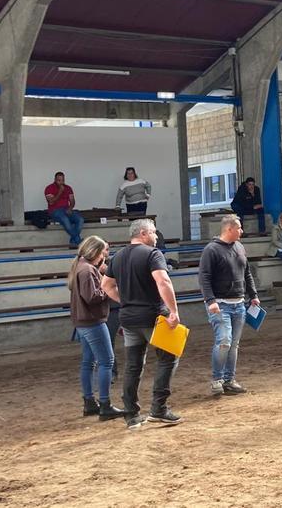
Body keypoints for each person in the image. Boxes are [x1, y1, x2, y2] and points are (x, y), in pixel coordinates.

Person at [101, 218, 183, 430]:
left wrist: (125, 301)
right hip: (153, 315)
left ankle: (131, 413)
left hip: (128, 318)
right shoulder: (153, 254)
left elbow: (106, 285)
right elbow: (163, 281)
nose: (156, 237)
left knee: (133, 365)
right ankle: (159, 408)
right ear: (144, 233)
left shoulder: (118, 256)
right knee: (168, 358)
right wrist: (173, 310)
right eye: (154, 232)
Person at [199, 215, 260, 397]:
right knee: (224, 341)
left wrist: (253, 295)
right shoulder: (211, 250)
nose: (242, 231)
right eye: (239, 228)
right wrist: (210, 301)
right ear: (229, 229)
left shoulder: (240, 247)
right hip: (220, 304)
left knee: (233, 344)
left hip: (239, 303)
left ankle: (228, 379)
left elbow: (247, 273)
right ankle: (218, 379)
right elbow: (204, 277)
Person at [70, 235, 125, 422]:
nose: (105, 255)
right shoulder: (87, 271)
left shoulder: (81, 267)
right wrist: (107, 287)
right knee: (106, 361)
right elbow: (92, 297)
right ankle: (105, 404)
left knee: (88, 362)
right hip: (93, 321)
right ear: (96, 252)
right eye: (104, 252)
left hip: (83, 322)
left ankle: (89, 402)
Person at [45, 172, 85, 247]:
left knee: (80, 219)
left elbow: (72, 201)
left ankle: (73, 242)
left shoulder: (68, 188)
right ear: (55, 180)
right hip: (55, 210)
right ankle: (78, 240)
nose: (61, 182)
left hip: (66, 209)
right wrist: (60, 191)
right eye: (59, 180)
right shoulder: (49, 188)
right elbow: (51, 202)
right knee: (65, 219)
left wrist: (70, 208)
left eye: (62, 180)